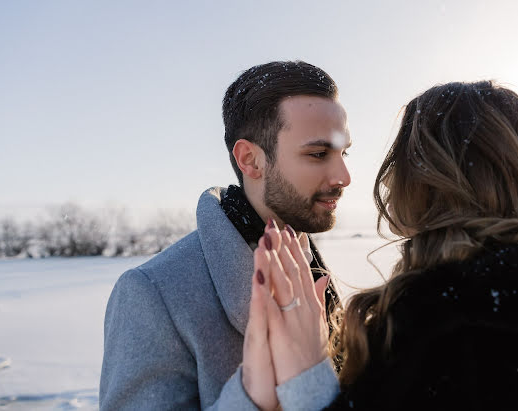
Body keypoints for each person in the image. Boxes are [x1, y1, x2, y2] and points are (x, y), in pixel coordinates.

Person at [243, 80, 518, 410]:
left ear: (424, 179)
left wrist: (309, 384)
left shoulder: (447, 334)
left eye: (401, 157)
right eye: (318, 154)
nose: (346, 177)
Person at [99, 60, 352, 410]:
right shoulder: (152, 293)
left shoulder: (307, 260)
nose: (344, 175)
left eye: (343, 152)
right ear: (251, 159)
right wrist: (251, 398)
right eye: (319, 154)